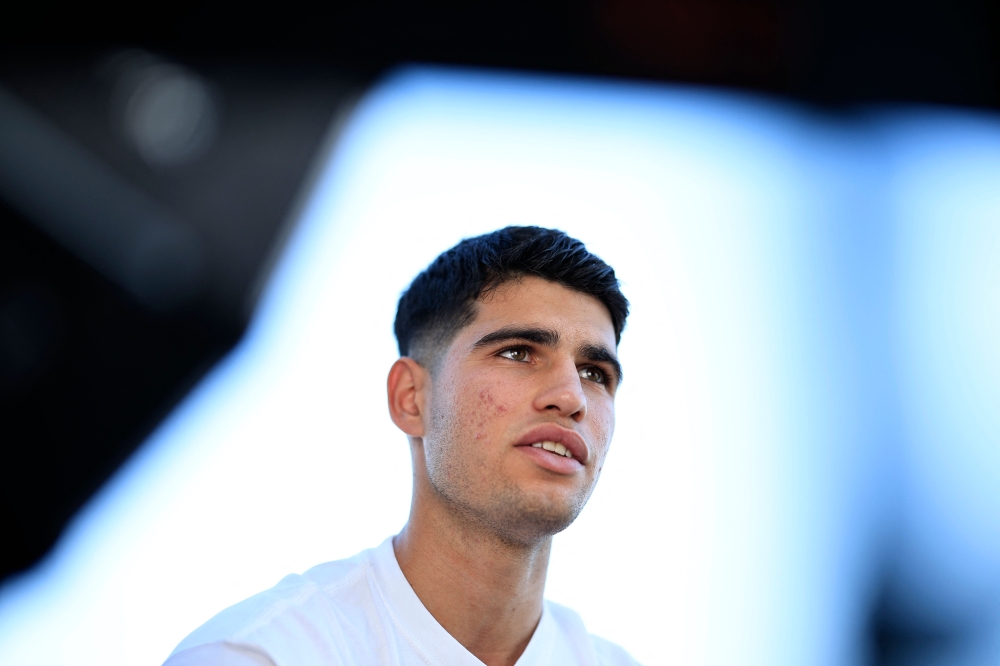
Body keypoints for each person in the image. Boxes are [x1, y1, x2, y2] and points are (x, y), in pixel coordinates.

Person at [164, 226, 640, 666]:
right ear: (411, 398)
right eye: (518, 352)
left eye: (595, 373)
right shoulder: (262, 654)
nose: (571, 397)